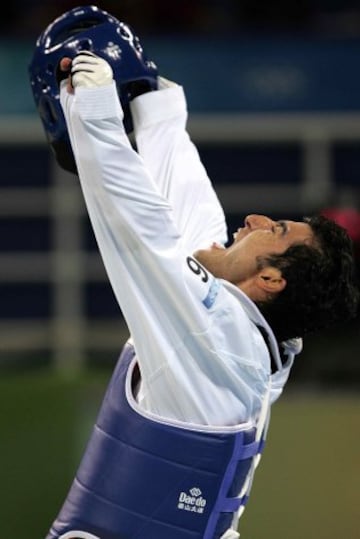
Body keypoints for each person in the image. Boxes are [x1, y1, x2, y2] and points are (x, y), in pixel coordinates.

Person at [30, 8, 359, 539]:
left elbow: (137, 228)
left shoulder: (218, 338)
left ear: (272, 281)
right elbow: (184, 207)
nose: (252, 219)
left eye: (273, 230)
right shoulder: (237, 334)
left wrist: (93, 112)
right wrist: (151, 103)